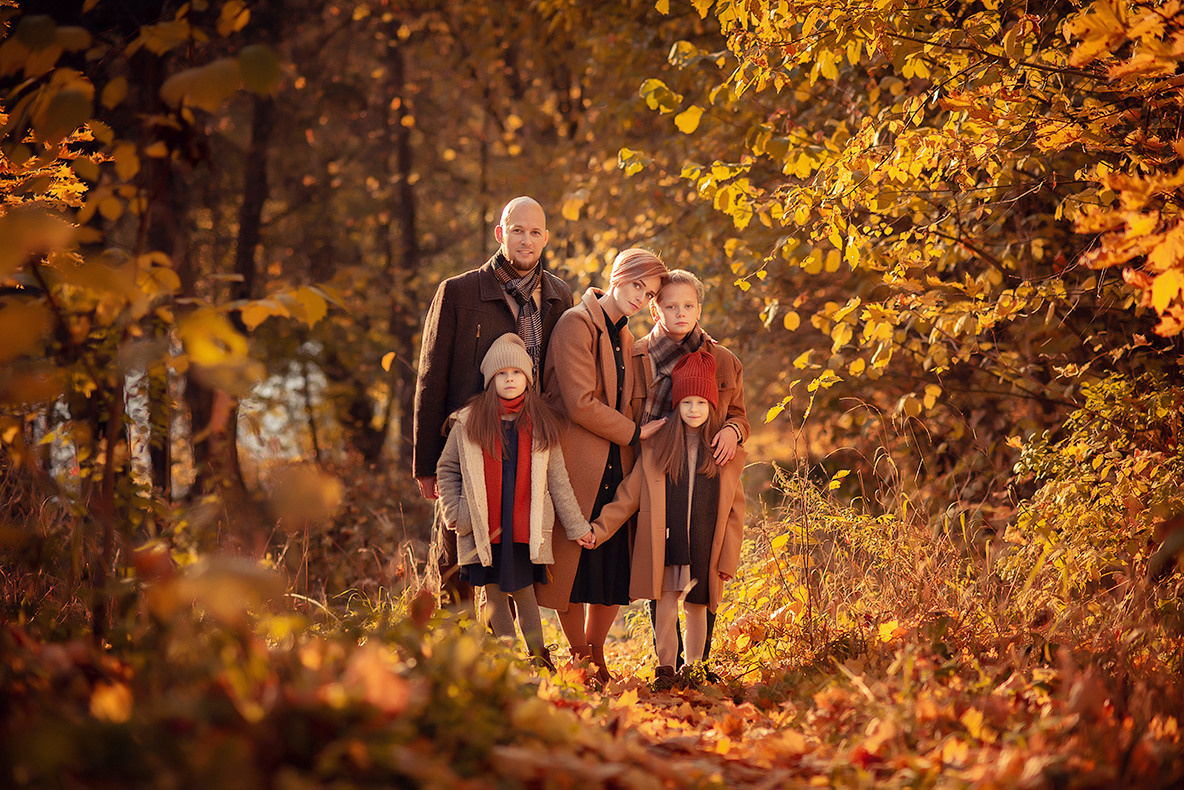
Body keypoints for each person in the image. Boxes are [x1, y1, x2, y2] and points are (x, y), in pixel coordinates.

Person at [413, 196, 574, 601]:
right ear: (501, 233)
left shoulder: (558, 295)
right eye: (517, 230)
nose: (526, 240)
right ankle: (455, 650)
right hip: (471, 443)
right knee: (460, 558)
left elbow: (560, 374)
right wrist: (426, 464)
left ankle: (513, 655)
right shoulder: (458, 292)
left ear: (546, 238)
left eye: (535, 232)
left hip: (526, 443)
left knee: (516, 557)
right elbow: (430, 379)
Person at [537, 248, 668, 684]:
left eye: (647, 293)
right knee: (575, 567)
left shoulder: (626, 336)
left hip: (617, 462)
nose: (639, 297)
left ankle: (597, 654)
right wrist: (635, 433)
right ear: (617, 276)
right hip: (579, 461)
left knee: (612, 566)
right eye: (636, 285)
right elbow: (578, 403)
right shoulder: (576, 323)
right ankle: (580, 656)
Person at [582, 349, 747, 679]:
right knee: (667, 606)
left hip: (704, 546)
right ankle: (666, 668)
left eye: (702, 403)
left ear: (713, 405)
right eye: (687, 402)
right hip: (669, 545)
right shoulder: (657, 448)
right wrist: (598, 530)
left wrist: (728, 560)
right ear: (676, 404)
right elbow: (628, 496)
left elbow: (734, 512)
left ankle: (696, 668)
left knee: (698, 607)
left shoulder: (723, 453)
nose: (694, 409)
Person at [436, 334, 591, 669]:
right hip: (483, 526)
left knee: (523, 593)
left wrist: (577, 525)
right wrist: (456, 514)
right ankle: (508, 659)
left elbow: (558, 482)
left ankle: (538, 657)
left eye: (517, 373)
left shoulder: (542, 424)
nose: (509, 378)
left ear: (527, 379)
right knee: (493, 594)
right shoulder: (468, 421)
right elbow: (446, 469)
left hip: (523, 525)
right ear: (491, 379)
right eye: (502, 373)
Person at [631, 268, 749, 667]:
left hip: (705, 471)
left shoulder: (723, 360)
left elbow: (740, 415)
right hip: (655, 471)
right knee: (661, 575)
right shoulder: (637, 356)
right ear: (654, 309)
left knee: (704, 565)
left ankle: (696, 664)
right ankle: (667, 663)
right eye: (670, 306)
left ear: (699, 308)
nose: (680, 313)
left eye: (688, 305)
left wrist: (733, 429)